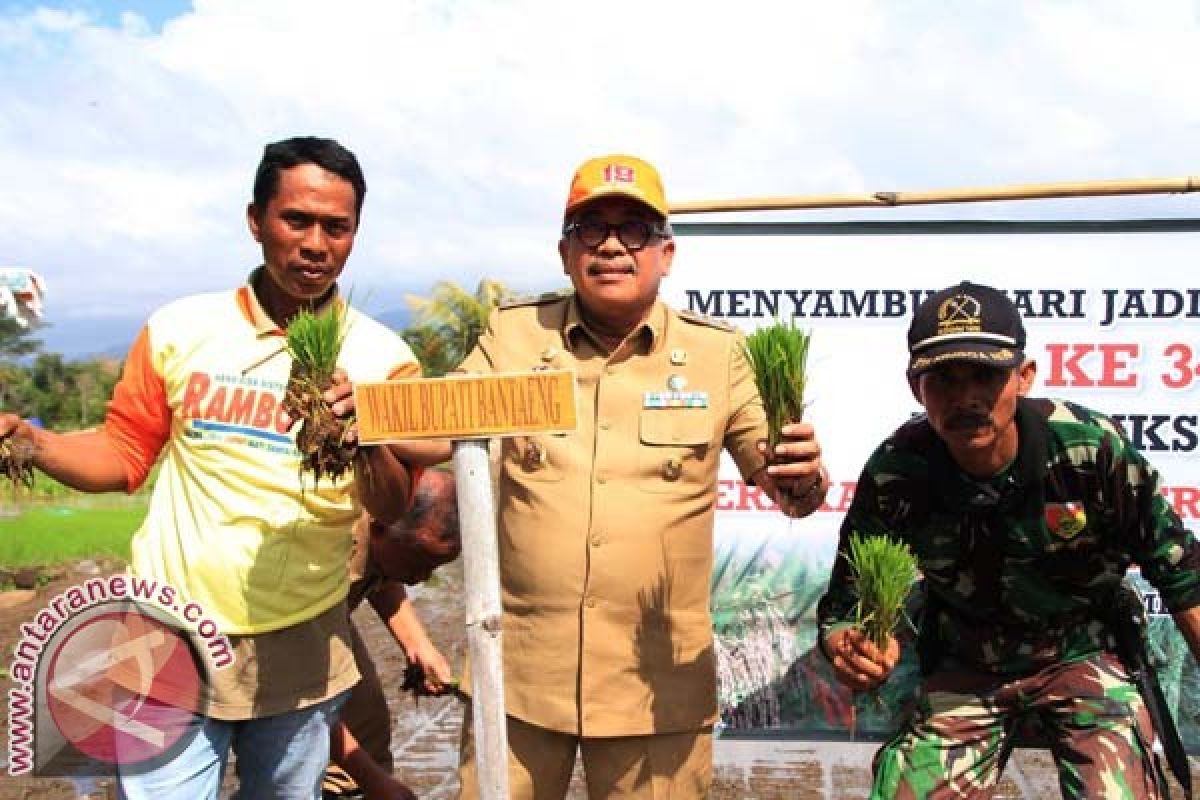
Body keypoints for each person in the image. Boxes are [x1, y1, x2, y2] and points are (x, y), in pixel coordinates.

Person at [0, 136, 421, 798]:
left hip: (301, 640)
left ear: (355, 234)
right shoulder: (180, 329)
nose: (316, 243)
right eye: (296, 220)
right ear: (256, 221)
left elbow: (393, 506)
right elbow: (122, 452)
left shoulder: (384, 358)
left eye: (336, 228)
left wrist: (365, 434)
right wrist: (34, 443)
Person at [431, 154, 829, 799]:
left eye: (634, 230)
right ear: (565, 252)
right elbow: (434, 426)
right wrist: (350, 416)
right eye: (592, 229)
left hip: (656, 693)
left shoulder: (718, 355)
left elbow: (788, 489)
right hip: (521, 684)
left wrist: (803, 474)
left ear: (666, 254)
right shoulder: (512, 339)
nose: (612, 245)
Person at [816, 280, 1200, 799]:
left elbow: (1183, 577)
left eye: (985, 375)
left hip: (1082, 653)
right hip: (968, 666)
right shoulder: (898, 472)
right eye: (943, 379)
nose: (966, 397)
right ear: (915, 387)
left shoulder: (1090, 451)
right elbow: (843, 608)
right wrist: (855, 648)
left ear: (1024, 377)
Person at [324, 468, 462, 800]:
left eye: (434, 568)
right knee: (289, 744)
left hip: (326, 621)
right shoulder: (332, 554)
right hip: (269, 632)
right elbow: (305, 701)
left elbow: (382, 570)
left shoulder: (385, 536)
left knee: (365, 717)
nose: (422, 578)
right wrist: (374, 782)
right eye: (419, 562)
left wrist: (417, 645)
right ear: (379, 528)